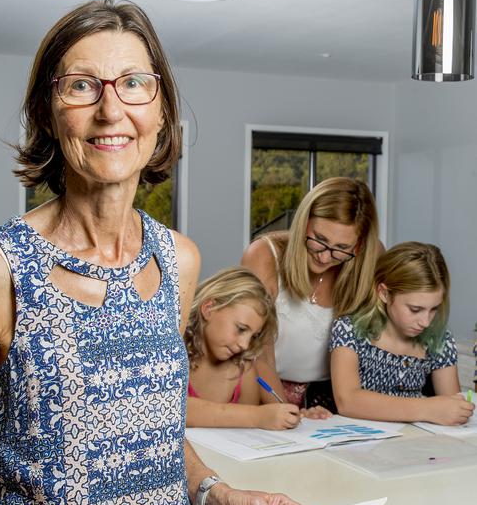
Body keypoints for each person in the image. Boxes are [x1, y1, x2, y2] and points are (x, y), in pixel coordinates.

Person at [0, 0, 307, 505]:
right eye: (83, 85)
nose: (112, 109)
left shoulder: (179, 260)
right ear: (48, 110)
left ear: (162, 111)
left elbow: (153, 435)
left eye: (135, 83)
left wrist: (222, 499)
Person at [241, 177, 381, 413]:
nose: (325, 257)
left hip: (336, 399)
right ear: (303, 222)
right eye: (320, 240)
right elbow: (258, 355)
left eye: (342, 248)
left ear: (358, 246)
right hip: (266, 394)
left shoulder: (370, 258)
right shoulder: (264, 256)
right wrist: (287, 413)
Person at [330, 242, 474, 424]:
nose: (426, 322)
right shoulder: (349, 329)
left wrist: (458, 410)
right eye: (415, 309)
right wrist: (428, 409)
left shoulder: (439, 340)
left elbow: (451, 406)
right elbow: (348, 401)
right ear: (384, 293)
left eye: (434, 309)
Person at [185, 266, 328, 429]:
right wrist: (257, 416)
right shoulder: (168, 356)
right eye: (241, 329)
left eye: (253, 336)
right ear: (209, 308)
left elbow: (245, 437)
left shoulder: (243, 372)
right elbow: (169, 409)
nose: (244, 345)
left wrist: (294, 417)